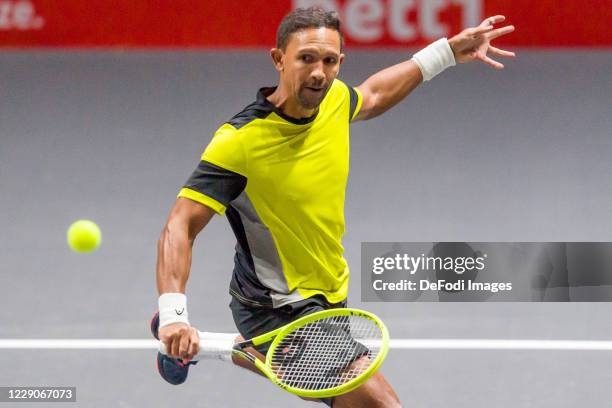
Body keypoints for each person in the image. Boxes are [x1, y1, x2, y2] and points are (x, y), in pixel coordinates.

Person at [152, 7, 515, 407]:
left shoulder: (335, 100)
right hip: (276, 304)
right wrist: (173, 314)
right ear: (278, 59)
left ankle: (202, 346)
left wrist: (446, 52)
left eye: (329, 61)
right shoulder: (239, 142)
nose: (318, 73)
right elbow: (180, 224)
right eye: (306, 58)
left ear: (340, 63)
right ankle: (202, 339)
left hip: (328, 292)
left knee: (292, 363)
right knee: (382, 405)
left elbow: (374, 94)